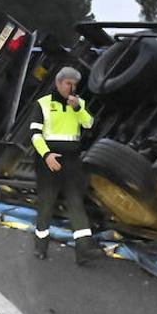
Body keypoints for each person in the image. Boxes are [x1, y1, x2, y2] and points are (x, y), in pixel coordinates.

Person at [29, 66, 99, 264]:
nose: (72, 88)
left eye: (75, 84)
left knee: (76, 202)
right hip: (48, 159)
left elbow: (89, 124)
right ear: (59, 83)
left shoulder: (78, 104)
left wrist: (78, 108)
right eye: (69, 83)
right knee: (46, 203)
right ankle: (40, 246)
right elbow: (34, 134)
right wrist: (47, 155)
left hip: (72, 159)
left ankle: (83, 250)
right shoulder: (43, 104)